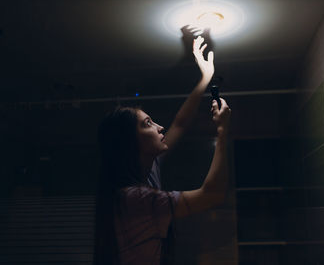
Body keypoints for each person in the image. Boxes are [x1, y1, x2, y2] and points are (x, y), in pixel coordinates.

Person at [94, 36, 231, 265]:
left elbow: (180, 123)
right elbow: (212, 195)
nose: (160, 127)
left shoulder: (146, 172)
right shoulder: (135, 198)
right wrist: (223, 131)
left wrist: (205, 77)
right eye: (147, 123)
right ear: (129, 142)